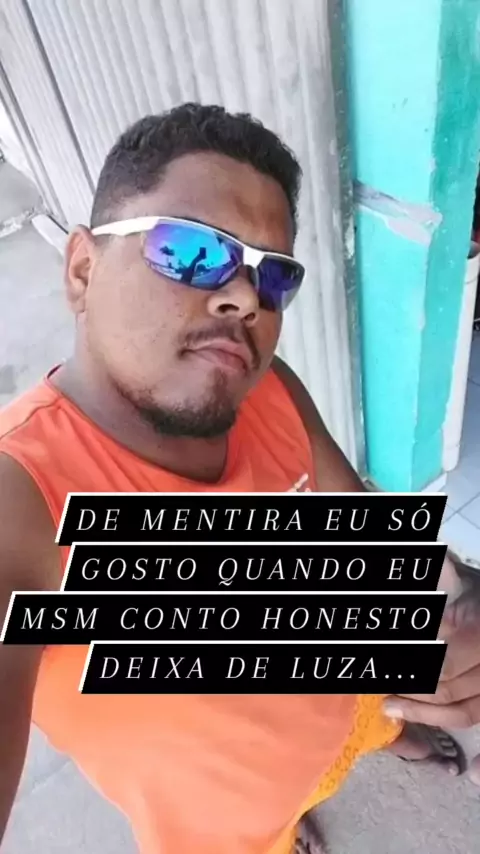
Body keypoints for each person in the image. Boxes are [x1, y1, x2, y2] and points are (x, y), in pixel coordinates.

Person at [0, 104, 479, 854]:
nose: (247, 299)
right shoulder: (23, 500)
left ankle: (388, 737)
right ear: (84, 269)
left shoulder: (271, 389)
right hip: (229, 824)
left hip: (350, 691)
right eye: (193, 252)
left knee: (377, 722)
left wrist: (456, 599)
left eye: (273, 276)